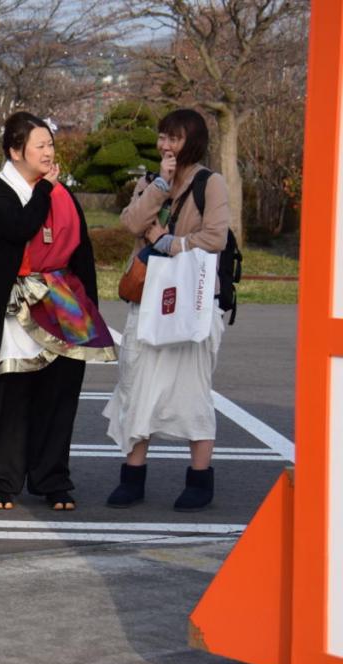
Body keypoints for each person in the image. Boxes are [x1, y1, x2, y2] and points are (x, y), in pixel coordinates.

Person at [0, 112, 116, 511]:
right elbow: (21, 227)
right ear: (15, 151)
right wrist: (45, 192)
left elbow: (82, 252)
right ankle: (0, 481)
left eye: (50, 145)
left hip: (63, 302)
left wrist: (90, 304)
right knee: (11, 393)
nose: (48, 152)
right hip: (14, 306)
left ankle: (53, 478)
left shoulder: (62, 194)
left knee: (60, 392)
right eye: (40, 146)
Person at [103, 108, 231, 511]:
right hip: (148, 298)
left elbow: (215, 237)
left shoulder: (211, 183)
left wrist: (168, 242)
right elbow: (130, 222)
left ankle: (199, 479)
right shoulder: (152, 180)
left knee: (192, 388)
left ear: (191, 140)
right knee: (137, 383)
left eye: (173, 138)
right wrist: (160, 184)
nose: (165, 145)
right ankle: (133, 477)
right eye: (162, 137)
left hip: (191, 301)